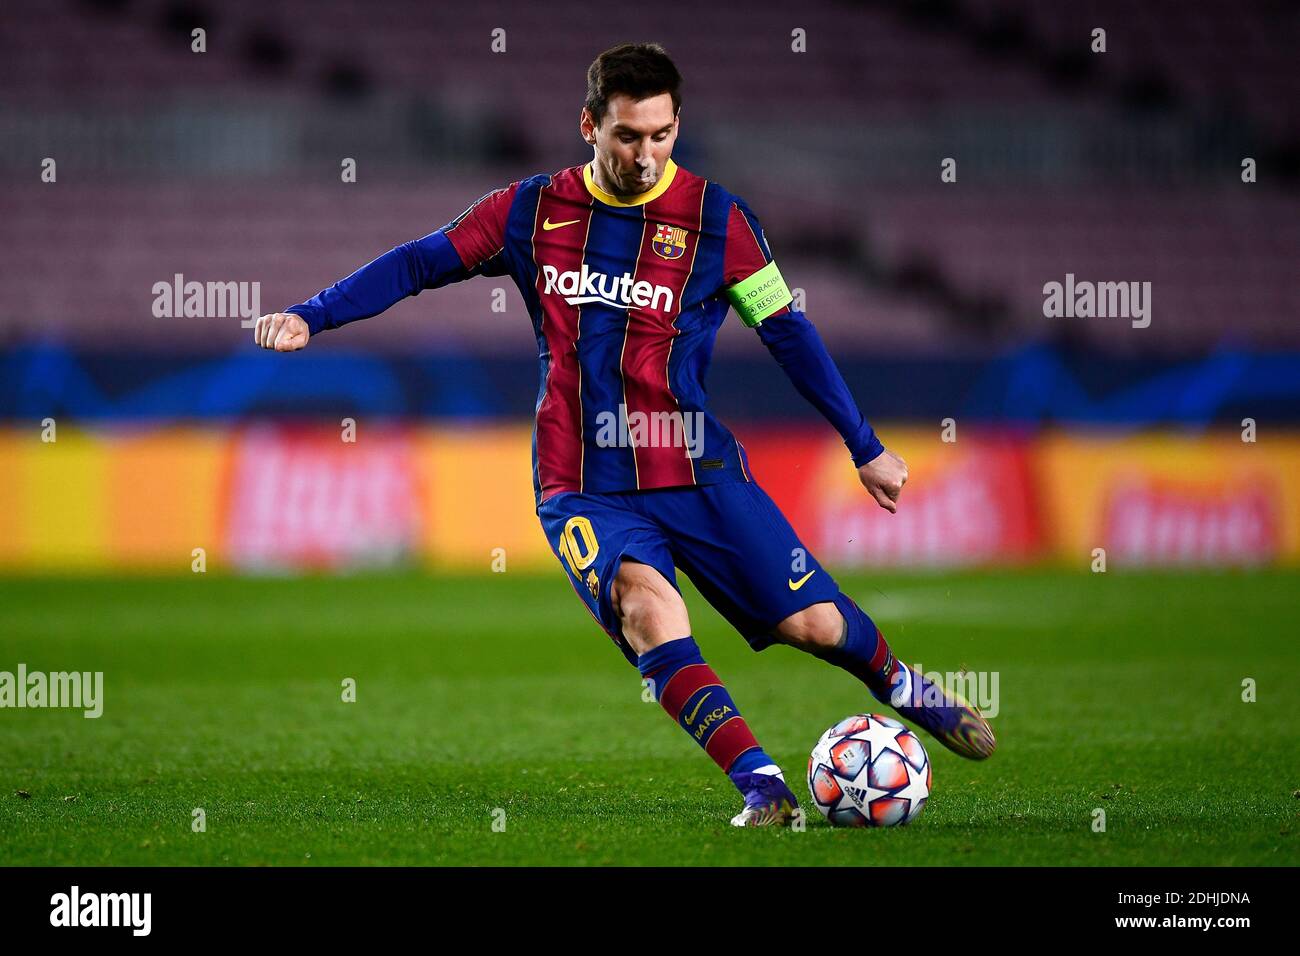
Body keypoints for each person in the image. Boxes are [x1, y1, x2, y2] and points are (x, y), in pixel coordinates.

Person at [254, 41, 994, 827]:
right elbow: (419, 262)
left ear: (678, 127)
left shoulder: (720, 221)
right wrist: (312, 314)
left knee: (810, 623)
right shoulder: (529, 212)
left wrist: (864, 444)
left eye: (662, 136)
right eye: (628, 137)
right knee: (647, 613)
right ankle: (763, 787)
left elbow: (789, 332)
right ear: (589, 126)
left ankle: (904, 689)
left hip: (697, 466)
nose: (646, 156)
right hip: (581, 479)